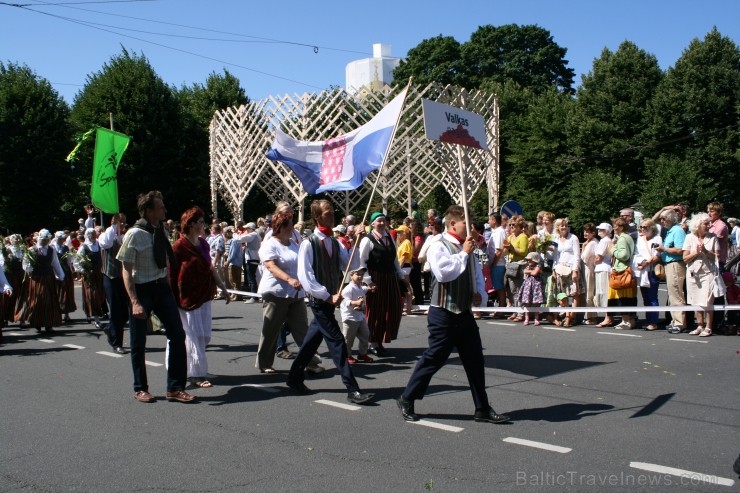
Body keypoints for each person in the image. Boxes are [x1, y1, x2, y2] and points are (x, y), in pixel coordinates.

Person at [395, 205, 509, 424]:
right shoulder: (439, 244)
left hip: (463, 312)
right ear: (453, 223)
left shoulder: (468, 246)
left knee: (475, 360)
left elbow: (474, 274)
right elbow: (444, 273)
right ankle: (407, 397)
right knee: (435, 357)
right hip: (443, 312)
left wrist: (478, 294)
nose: (470, 226)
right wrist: (464, 253)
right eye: (466, 222)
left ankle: (482, 407)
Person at [286, 200, 374, 405]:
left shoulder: (335, 242)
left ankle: (294, 377)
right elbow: (305, 276)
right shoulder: (309, 243)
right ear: (317, 217)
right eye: (327, 213)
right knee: (337, 342)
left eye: (332, 212)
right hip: (320, 300)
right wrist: (327, 295)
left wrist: (356, 241)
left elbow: (351, 264)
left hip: (329, 299)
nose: (331, 216)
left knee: (310, 342)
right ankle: (352, 388)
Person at [117, 191, 196, 404]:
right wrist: (134, 301)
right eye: (161, 207)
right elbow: (126, 270)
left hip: (161, 289)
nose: (165, 210)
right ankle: (140, 388)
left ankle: (175, 388)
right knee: (138, 342)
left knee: (178, 335)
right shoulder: (134, 234)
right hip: (141, 291)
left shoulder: (159, 228)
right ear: (149, 211)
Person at [170, 207, 230, 388]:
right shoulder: (178, 247)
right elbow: (170, 274)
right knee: (194, 335)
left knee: (203, 336)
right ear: (191, 225)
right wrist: (170, 299)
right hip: (186, 298)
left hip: (204, 295)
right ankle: (197, 375)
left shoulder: (203, 244)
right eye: (201, 222)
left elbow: (210, 268)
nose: (204, 225)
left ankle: (188, 368)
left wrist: (223, 287)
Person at [255, 204, 317, 374]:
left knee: (302, 329)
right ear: (281, 227)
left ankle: (310, 361)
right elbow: (270, 266)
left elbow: (303, 262)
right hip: (275, 292)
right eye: (289, 226)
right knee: (271, 330)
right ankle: (265, 363)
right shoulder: (270, 243)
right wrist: (289, 279)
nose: (293, 228)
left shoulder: (293, 243)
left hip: (295, 293)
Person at [359, 211, 403, 355]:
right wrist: (367, 281)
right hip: (375, 277)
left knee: (392, 308)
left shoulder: (388, 236)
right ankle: (372, 342)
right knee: (375, 310)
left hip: (389, 277)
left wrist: (400, 274)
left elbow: (394, 258)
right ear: (372, 224)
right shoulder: (368, 239)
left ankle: (380, 339)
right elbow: (362, 261)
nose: (382, 223)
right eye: (379, 221)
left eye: (384, 220)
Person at [20, 229, 65, 333]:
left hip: (49, 277)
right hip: (37, 278)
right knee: (38, 300)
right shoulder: (32, 250)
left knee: (50, 300)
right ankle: (37, 322)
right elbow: (25, 264)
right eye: (43, 239)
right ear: (39, 239)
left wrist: (61, 276)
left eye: (47, 239)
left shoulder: (51, 249)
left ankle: (49, 324)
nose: (45, 241)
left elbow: (55, 263)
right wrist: (30, 269)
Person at [683, 213, 720, 337]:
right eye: (706, 223)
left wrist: (705, 251)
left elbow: (717, 257)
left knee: (708, 301)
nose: (708, 226)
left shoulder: (713, 237)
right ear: (698, 225)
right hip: (693, 274)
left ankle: (708, 327)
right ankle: (700, 325)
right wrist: (696, 252)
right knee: (695, 301)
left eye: (709, 223)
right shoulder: (689, 237)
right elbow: (685, 258)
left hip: (708, 272)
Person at [98, 214, 130, 354]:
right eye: (120, 223)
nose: (122, 225)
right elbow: (107, 243)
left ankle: (110, 329)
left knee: (126, 312)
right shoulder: (105, 236)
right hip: (110, 277)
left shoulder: (122, 238)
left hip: (122, 277)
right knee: (116, 310)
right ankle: (117, 343)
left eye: (124, 222)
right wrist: (113, 227)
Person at [656, 210, 687, 333]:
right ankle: (675, 320)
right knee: (672, 294)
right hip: (669, 264)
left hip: (675, 264)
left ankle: (680, 323)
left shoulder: (677, 231)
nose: (662, 221)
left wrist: (664, 249)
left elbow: (680, 250)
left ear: (671, 219)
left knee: (676, 294)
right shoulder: (670, 231)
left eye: (664, 219)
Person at [340, 266, 375, 365]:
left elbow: (364, 289)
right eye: (357, 274)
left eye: (361, 275)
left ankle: (362, 354)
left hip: (360, 317)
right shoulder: (348, 289)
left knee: (365, 335)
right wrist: (355, 302)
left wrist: (370, 288)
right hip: (350, 318)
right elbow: (344, 301)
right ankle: (347, 356)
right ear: (351, 275)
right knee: (348, 339)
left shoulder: (359, 286)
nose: (360, 277)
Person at [609, 218, 638, 330]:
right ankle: (630, 320)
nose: (614, 228)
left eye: (615, 226)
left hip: (622, 271)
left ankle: (626, 320)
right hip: (628, 270)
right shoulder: (628, 237)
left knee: (623, 297)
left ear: (620, 227)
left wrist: (613, 249)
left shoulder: (622, 239)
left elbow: (624, 255)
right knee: (629, 297)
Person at [634, 219, 663, 331]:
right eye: (641, 227)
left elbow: (658, 255)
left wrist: (647, 262)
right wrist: (640, 262)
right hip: (642, 270)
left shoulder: (657, 239)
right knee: (645, 297)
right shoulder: (640, 240)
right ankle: (648, 320)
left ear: (652, 228)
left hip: (651, 270)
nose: (643, 229)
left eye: (645, 227)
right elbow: (637, 254)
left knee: (652, 296)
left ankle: (653, 321)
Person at [552, 218, 581, 327]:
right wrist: (554, 270)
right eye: (561, 225)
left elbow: (577, 255)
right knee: (562, 294)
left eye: (565, 225)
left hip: (571, 268)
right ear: (558, 227)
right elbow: (556, 256)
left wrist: (575, 270)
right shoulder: (556, 239)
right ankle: (565, 315)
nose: (563, 227)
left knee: (574, 294)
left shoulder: (573, 238)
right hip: (560, 268)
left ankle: (572, 317)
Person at [52, 231, 76, 324]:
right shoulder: (52, 247)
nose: (62, 239)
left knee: (66, 292)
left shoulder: (65, 247)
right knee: (57, 292)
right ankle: (57, 314)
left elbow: (69, 260)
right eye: (60, 238)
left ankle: (66, 314)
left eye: (63, 238)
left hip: (65, 272)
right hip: (55, 272)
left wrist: (70, 270)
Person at [517, 252, 544, 326]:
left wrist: (530, 272)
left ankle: (536, 318)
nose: (528, 261)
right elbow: (525, 271)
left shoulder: (538, 265)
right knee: (527, 302)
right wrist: (530, 271)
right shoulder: (528, 266)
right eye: (528, 260)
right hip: (528, 285)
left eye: (530, 260)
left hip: (536, 285)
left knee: (536, 303)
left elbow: (535, 273)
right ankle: (527, 318)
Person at [580, 223, 599, 325]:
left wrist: (583, 247)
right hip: (586, 268)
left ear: (593, 233)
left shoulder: (592, 243)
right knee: (587, 292)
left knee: (589, 293)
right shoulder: (589, 242)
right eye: (585, 231)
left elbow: (585, 257)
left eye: (588, 232)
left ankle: (591, 316)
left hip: (589, 269)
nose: (585, 233)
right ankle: (588, 315)